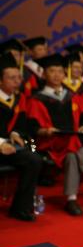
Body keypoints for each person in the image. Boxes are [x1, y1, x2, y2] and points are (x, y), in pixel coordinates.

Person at [26, 53, 83, 216]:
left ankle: (71, 199)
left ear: (65, 74)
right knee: (74, 140)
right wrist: (44, 131)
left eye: (60, 71)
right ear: (43, 74)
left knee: (72, 155)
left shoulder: (71, 96)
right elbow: (32, 127)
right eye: (52, 71)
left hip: (70, 144)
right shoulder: (37, 99)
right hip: (50, 142)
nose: (57, 75)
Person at [0, 53, 43, 221]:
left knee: (33, 160)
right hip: (1, 146)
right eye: (12, 78)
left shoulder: (19, 99)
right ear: (0, 81)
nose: (17, 81)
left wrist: (15, 133)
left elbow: (21, 124)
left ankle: (21, 208)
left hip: (9, 147)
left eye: (19, 77)